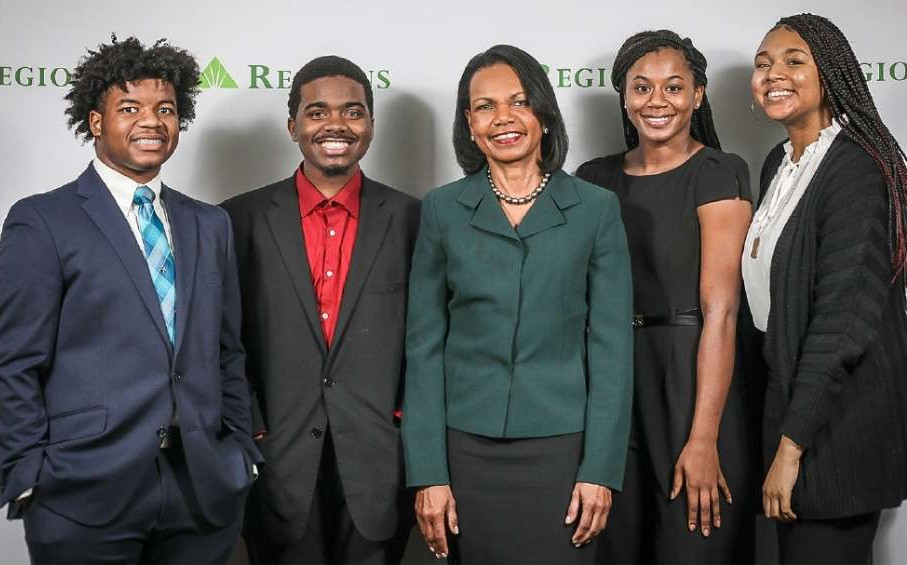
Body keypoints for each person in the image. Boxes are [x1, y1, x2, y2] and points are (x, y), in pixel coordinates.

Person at [0, 36, 260, 563]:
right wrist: (29, 472)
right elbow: (14, 360)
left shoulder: (210, 225)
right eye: (129, 108)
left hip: (201, 491)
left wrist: (241, 454)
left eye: (165, 109)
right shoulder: (43, 221)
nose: (151, 121)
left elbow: (228, 350)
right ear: (96, 122)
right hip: (82, 493)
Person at [401, 44, 634, 564]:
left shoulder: (595, 209)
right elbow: (423, 348)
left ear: (543, 115)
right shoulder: (442, 209)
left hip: (562, 448)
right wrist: (429, 473)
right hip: (465, 448)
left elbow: (613, 349)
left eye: (519, 102)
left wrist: (600, 469)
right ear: (468, 122)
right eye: (484, 106)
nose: (502, 118)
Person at [221, 55, 420, 564]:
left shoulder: (412, 218)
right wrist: (253, 422)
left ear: (371, 125)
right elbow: (221, 337)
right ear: (293, 126)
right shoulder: (237, 219)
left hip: (381, 458)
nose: (336, 125)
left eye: (353, 112)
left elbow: (429, 337)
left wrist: (402, 419)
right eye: (317, 112)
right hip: (277, 456)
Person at [576, 30, 755, 564]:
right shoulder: (592, 179)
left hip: (692, 380)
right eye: (642, 87)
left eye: (674, 87)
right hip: (613, 384)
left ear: (698, 95)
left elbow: (720, 313)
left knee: (692, 545)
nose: (658, 100)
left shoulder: (720, 171)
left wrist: (705, 439)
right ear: (624, 97)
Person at [743, 13, 907, 564]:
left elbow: (841, 323)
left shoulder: (855, 168)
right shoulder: (778, 163)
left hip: (837, 428)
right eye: (763, 63)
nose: (774, 74)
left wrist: (793, 449)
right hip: (792, 406)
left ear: (831, 74)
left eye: (794, 61)